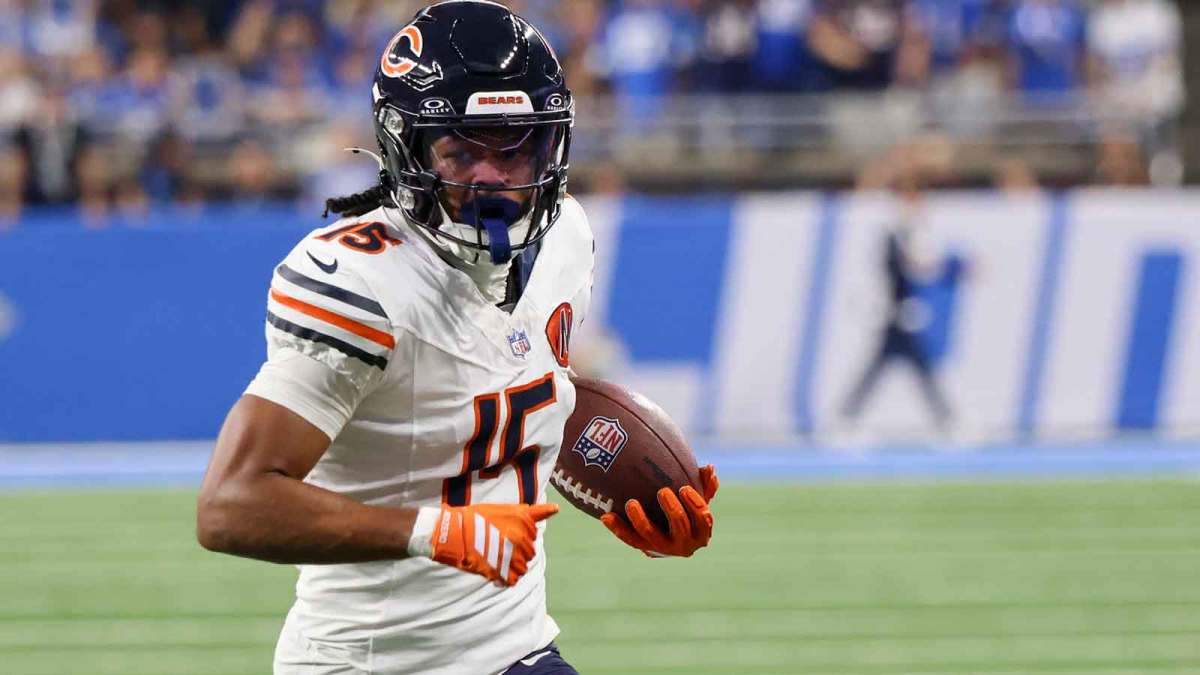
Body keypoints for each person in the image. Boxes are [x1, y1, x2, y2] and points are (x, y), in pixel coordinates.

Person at [195, 3, 719, 674]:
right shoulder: (359, 279)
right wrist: (434, 532)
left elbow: (509, 397)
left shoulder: (565, 239)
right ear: (406, 147)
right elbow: (231, 503)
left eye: (515, 146)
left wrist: (622, 489)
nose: (491, 176)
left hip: (517, 649)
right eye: (462, 149)